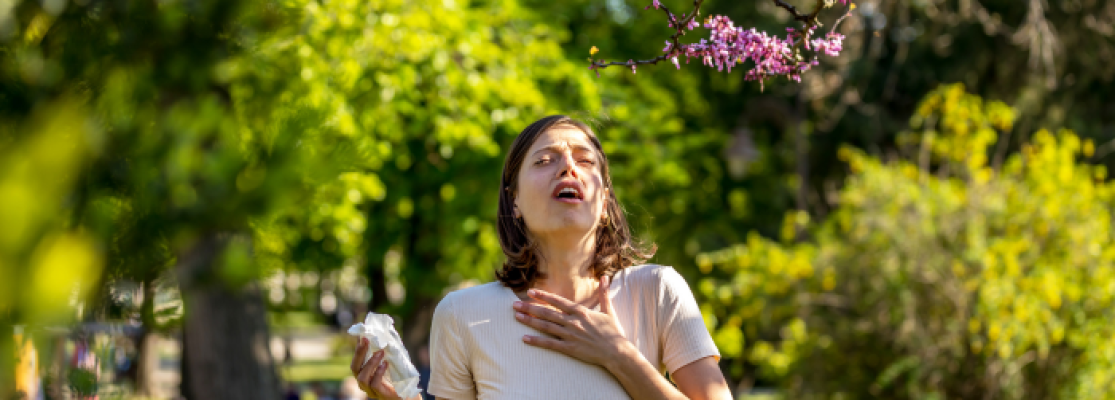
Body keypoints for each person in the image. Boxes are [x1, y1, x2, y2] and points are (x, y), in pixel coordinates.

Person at [349, 115, 733, 399]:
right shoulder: (462, 313)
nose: (568, 166)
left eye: (585, 160)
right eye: (544, 160)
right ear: (514, 200)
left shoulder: (658, 290)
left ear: (604, 202)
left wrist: (618, 355)